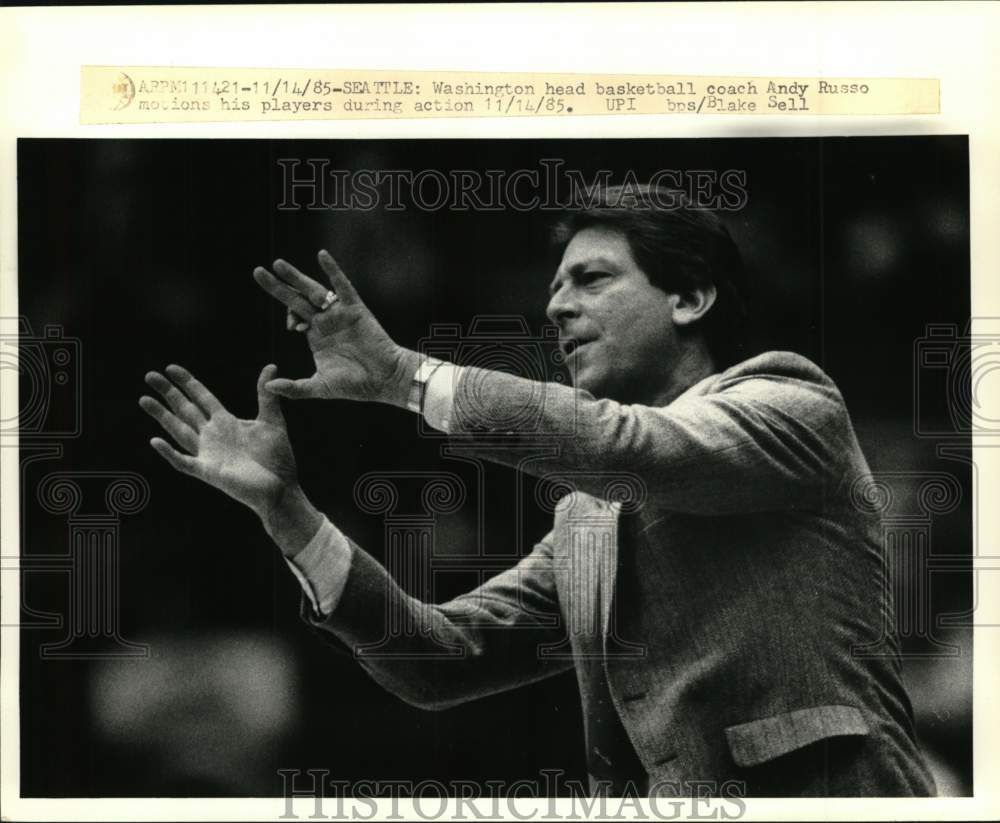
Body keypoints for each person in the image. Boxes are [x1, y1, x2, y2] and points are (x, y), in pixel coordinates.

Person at [139, 185, 936, 797]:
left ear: (690, 297)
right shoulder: (586, 519)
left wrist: (401, 376)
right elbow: (438, 659)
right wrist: (288, 512)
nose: (556, 306)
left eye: (591, 279)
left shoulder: (793, 404)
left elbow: (625, 445)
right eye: (556, 286)